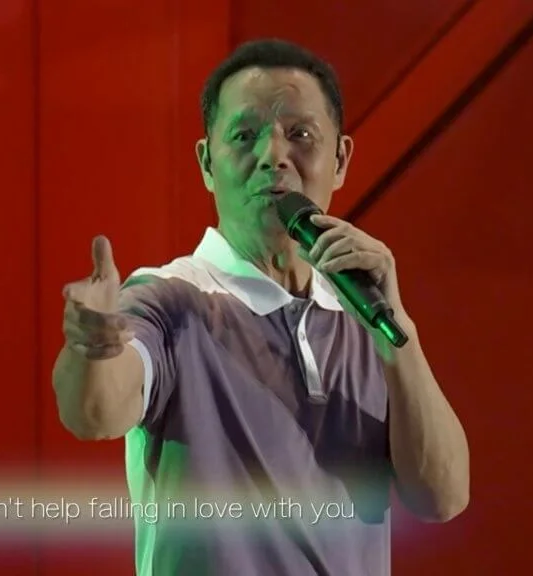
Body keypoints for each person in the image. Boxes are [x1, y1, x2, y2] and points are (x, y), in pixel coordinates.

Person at [52, 38, 470, 576]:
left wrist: (400, 333)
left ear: (341, 160)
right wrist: (93, 346)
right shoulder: (169, 298)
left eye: (300, 135)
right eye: (244, 135)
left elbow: (442, 496)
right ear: (207, 163)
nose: (274, 156)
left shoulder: (368, 315)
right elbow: (96, 413)